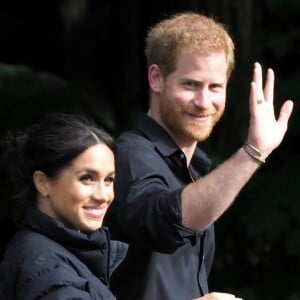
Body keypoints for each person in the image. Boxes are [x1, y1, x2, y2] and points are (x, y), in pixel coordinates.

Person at [104, 12, 294, 300]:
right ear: (156, 78)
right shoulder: (129, 155)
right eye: (190, 85)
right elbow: (167, 222)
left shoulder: (196, 168)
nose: (204, 102)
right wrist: (253, 152)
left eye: (215, 87)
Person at [0, 113, 128, 299]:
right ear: (43, 183)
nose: (103, 195)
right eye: (87, 179)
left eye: (109, 180)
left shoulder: (57, 253)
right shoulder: (49, 269)